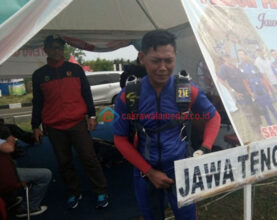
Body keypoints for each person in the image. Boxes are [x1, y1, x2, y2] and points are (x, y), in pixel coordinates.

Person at [113, 30, 221, 220]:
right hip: (145, 171)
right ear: (142, 58)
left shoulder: (185, 90)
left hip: (180, 168)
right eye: (156, 60)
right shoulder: (130, 96)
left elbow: (213, 117)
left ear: (175, 57)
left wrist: (205, 148)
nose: (163, 67)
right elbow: (120, 139)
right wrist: (149, 172)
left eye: (168, 60)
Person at [31, 35, 108, 209]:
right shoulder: (39, 75)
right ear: (46, 50)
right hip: (54, 127)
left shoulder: (75, 70)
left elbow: (86, 94)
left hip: (77, 123)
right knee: (64, 163)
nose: (57, 51)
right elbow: (37, 102)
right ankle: (73, 192)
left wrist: (92, 115)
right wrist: (35, 125)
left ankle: (101, 191)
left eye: (60, 47)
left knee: (89, 158)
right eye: (53, 47)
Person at [0, 136, 51, 218]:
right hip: (4, 178)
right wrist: (10, 140)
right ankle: (29, 207)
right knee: (46, 175)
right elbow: (9, 148)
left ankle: (10, 200)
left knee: (14, 162)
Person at [238, 49, 277, 126]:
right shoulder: (241, 67)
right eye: (239, 55)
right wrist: (251, 93)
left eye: (242, 54)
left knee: (272, 108)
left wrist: (269, 90)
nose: (241, 57)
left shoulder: (254, 65)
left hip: (263, 90)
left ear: (246, 55)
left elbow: (262, 78)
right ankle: (271, 125)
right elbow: (245, 82)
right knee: (264, 110)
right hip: (255, 92)